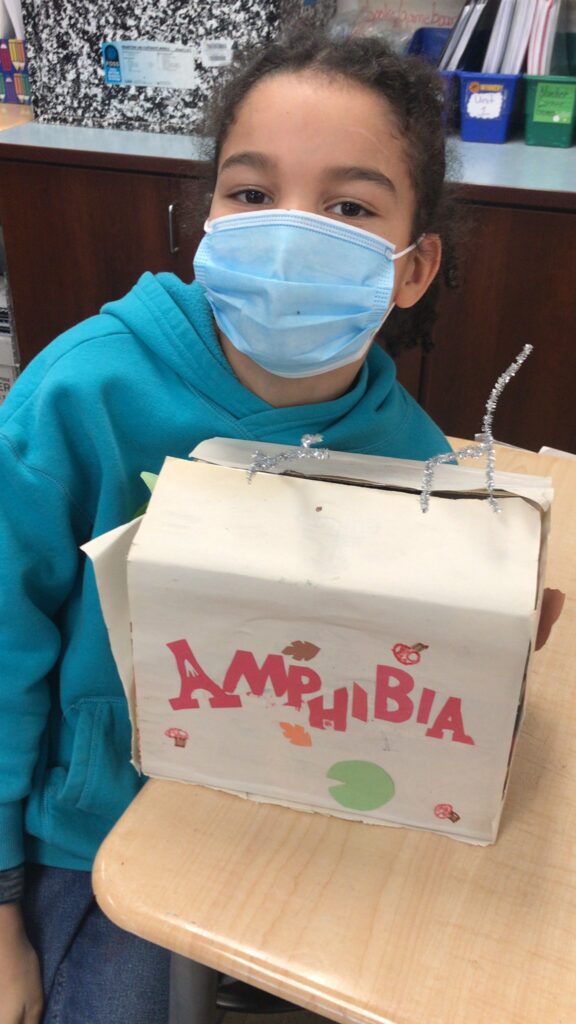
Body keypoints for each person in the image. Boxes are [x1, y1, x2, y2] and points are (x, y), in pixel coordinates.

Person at [0, 24, 486, 1024]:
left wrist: (482, 635)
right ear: (207, 217)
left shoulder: (413, 460)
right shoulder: (80, 395)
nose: (290, 232)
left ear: (413, 266)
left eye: (349, 206)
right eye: (252, 194)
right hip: (93, 838)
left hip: (306, 829)